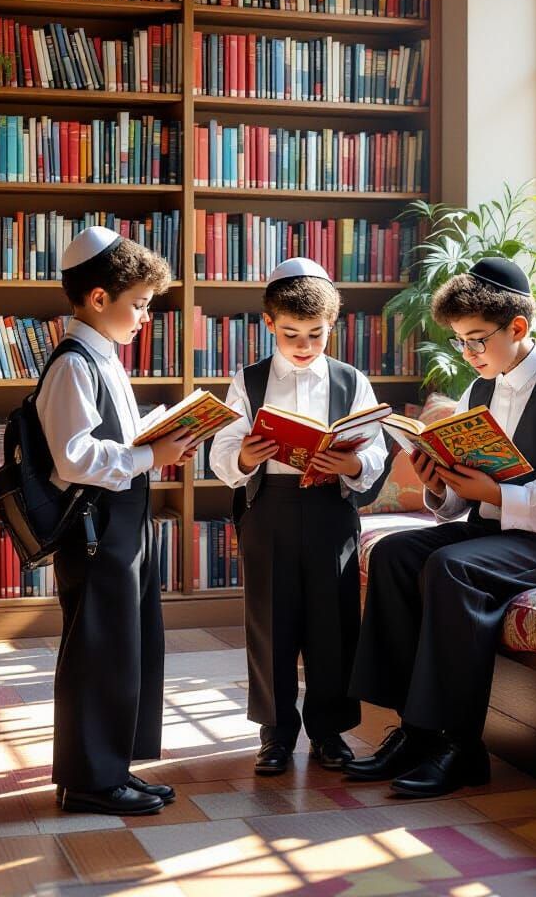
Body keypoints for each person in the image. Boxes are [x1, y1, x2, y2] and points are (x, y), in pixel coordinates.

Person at [345, 256, 536, 798]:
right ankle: (414, 730)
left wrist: (494, 494)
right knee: (396, 554)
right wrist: (439, 483)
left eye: (475, 341)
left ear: (518, 328)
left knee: (451, 568)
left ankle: (460, 746)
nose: (467, 354)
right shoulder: (479, 391)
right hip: (498, 533)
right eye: (460, 343)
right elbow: (460, 499)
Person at [36, 225, 196, 815]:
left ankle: (112, 768)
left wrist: (158, 433)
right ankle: (89, 782)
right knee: (98, 651)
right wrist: (154, 453)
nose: (145, 318)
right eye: (140, 305)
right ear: (98, 299)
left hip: (121, 524)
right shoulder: (74, 365)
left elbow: (110, 439)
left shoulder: (102, 358)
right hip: (95, 530)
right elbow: (74, 456)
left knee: (126, 647)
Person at [209, 257, 389, 775]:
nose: (305, 346)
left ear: (331, 327)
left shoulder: (351, 380)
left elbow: (374, 450)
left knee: (332, 623)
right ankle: (275, 733)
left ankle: (330, 732)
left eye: (316, 334)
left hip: (331, 508)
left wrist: (351, 462)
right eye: (291, 334)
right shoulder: (248, 381)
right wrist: (247, 454)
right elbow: (224, 455)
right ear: (268, 324)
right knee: (271, 622)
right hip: (271, 510)